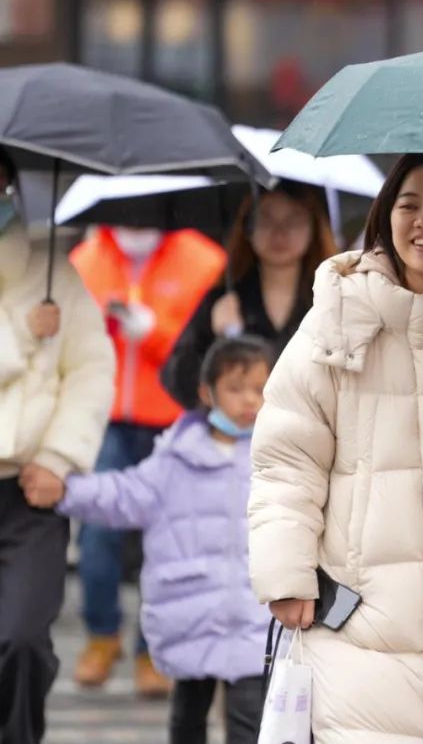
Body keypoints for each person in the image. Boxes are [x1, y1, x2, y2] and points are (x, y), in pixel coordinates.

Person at [248, 154, 423, 742]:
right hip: (359, 626)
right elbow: (286, 459)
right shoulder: (338, 320)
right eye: (410, 204)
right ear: (385, 216)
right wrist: (286, 575)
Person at [28, 335, 273, 744]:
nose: (249, 401)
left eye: (260, 390)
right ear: (205, 392)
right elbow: (122, 494)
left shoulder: (281, 456)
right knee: (187, 720)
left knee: (250, 722)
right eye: (235, 388)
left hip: (257, 616)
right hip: (190, 613)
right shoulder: (174, 459)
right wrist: (64, 489)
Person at [69, 224, 226, 694]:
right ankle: (102, 635)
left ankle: (151, 649)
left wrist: (153, 332)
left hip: (173, 417)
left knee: (168, 539)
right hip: (108, 414)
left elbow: (205, 346)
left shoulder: (204, 259)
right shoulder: (85, 258)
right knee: (98, 532)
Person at [0, 148, 115, 744]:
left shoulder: (53, 269)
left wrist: (59, 458)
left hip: (29, 494)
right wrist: (20, 332)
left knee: (22, 636)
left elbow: (92, 369)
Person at [162, 181, 338, 409]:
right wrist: (217, 341)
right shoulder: (225, 298)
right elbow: (178, 381)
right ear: (247, 227)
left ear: (313, 226)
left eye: (293, 220)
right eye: (266, 219)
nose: (279, 232)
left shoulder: (332, 300)